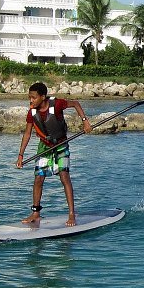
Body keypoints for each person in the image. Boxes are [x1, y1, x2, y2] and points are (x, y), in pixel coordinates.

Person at [15, 81, 93, 226]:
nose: (31, 101)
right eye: (29, 98)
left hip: (61, 145)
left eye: (33, 97)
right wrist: (20, 155)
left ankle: (71, 214)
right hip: (44, 147)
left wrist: (85, 121)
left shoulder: (56, 104)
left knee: (64, 177)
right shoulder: (32, 112)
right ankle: (36, 213)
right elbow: (27, 134)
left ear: (43, 97)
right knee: (38, 178)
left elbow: (75, 103)